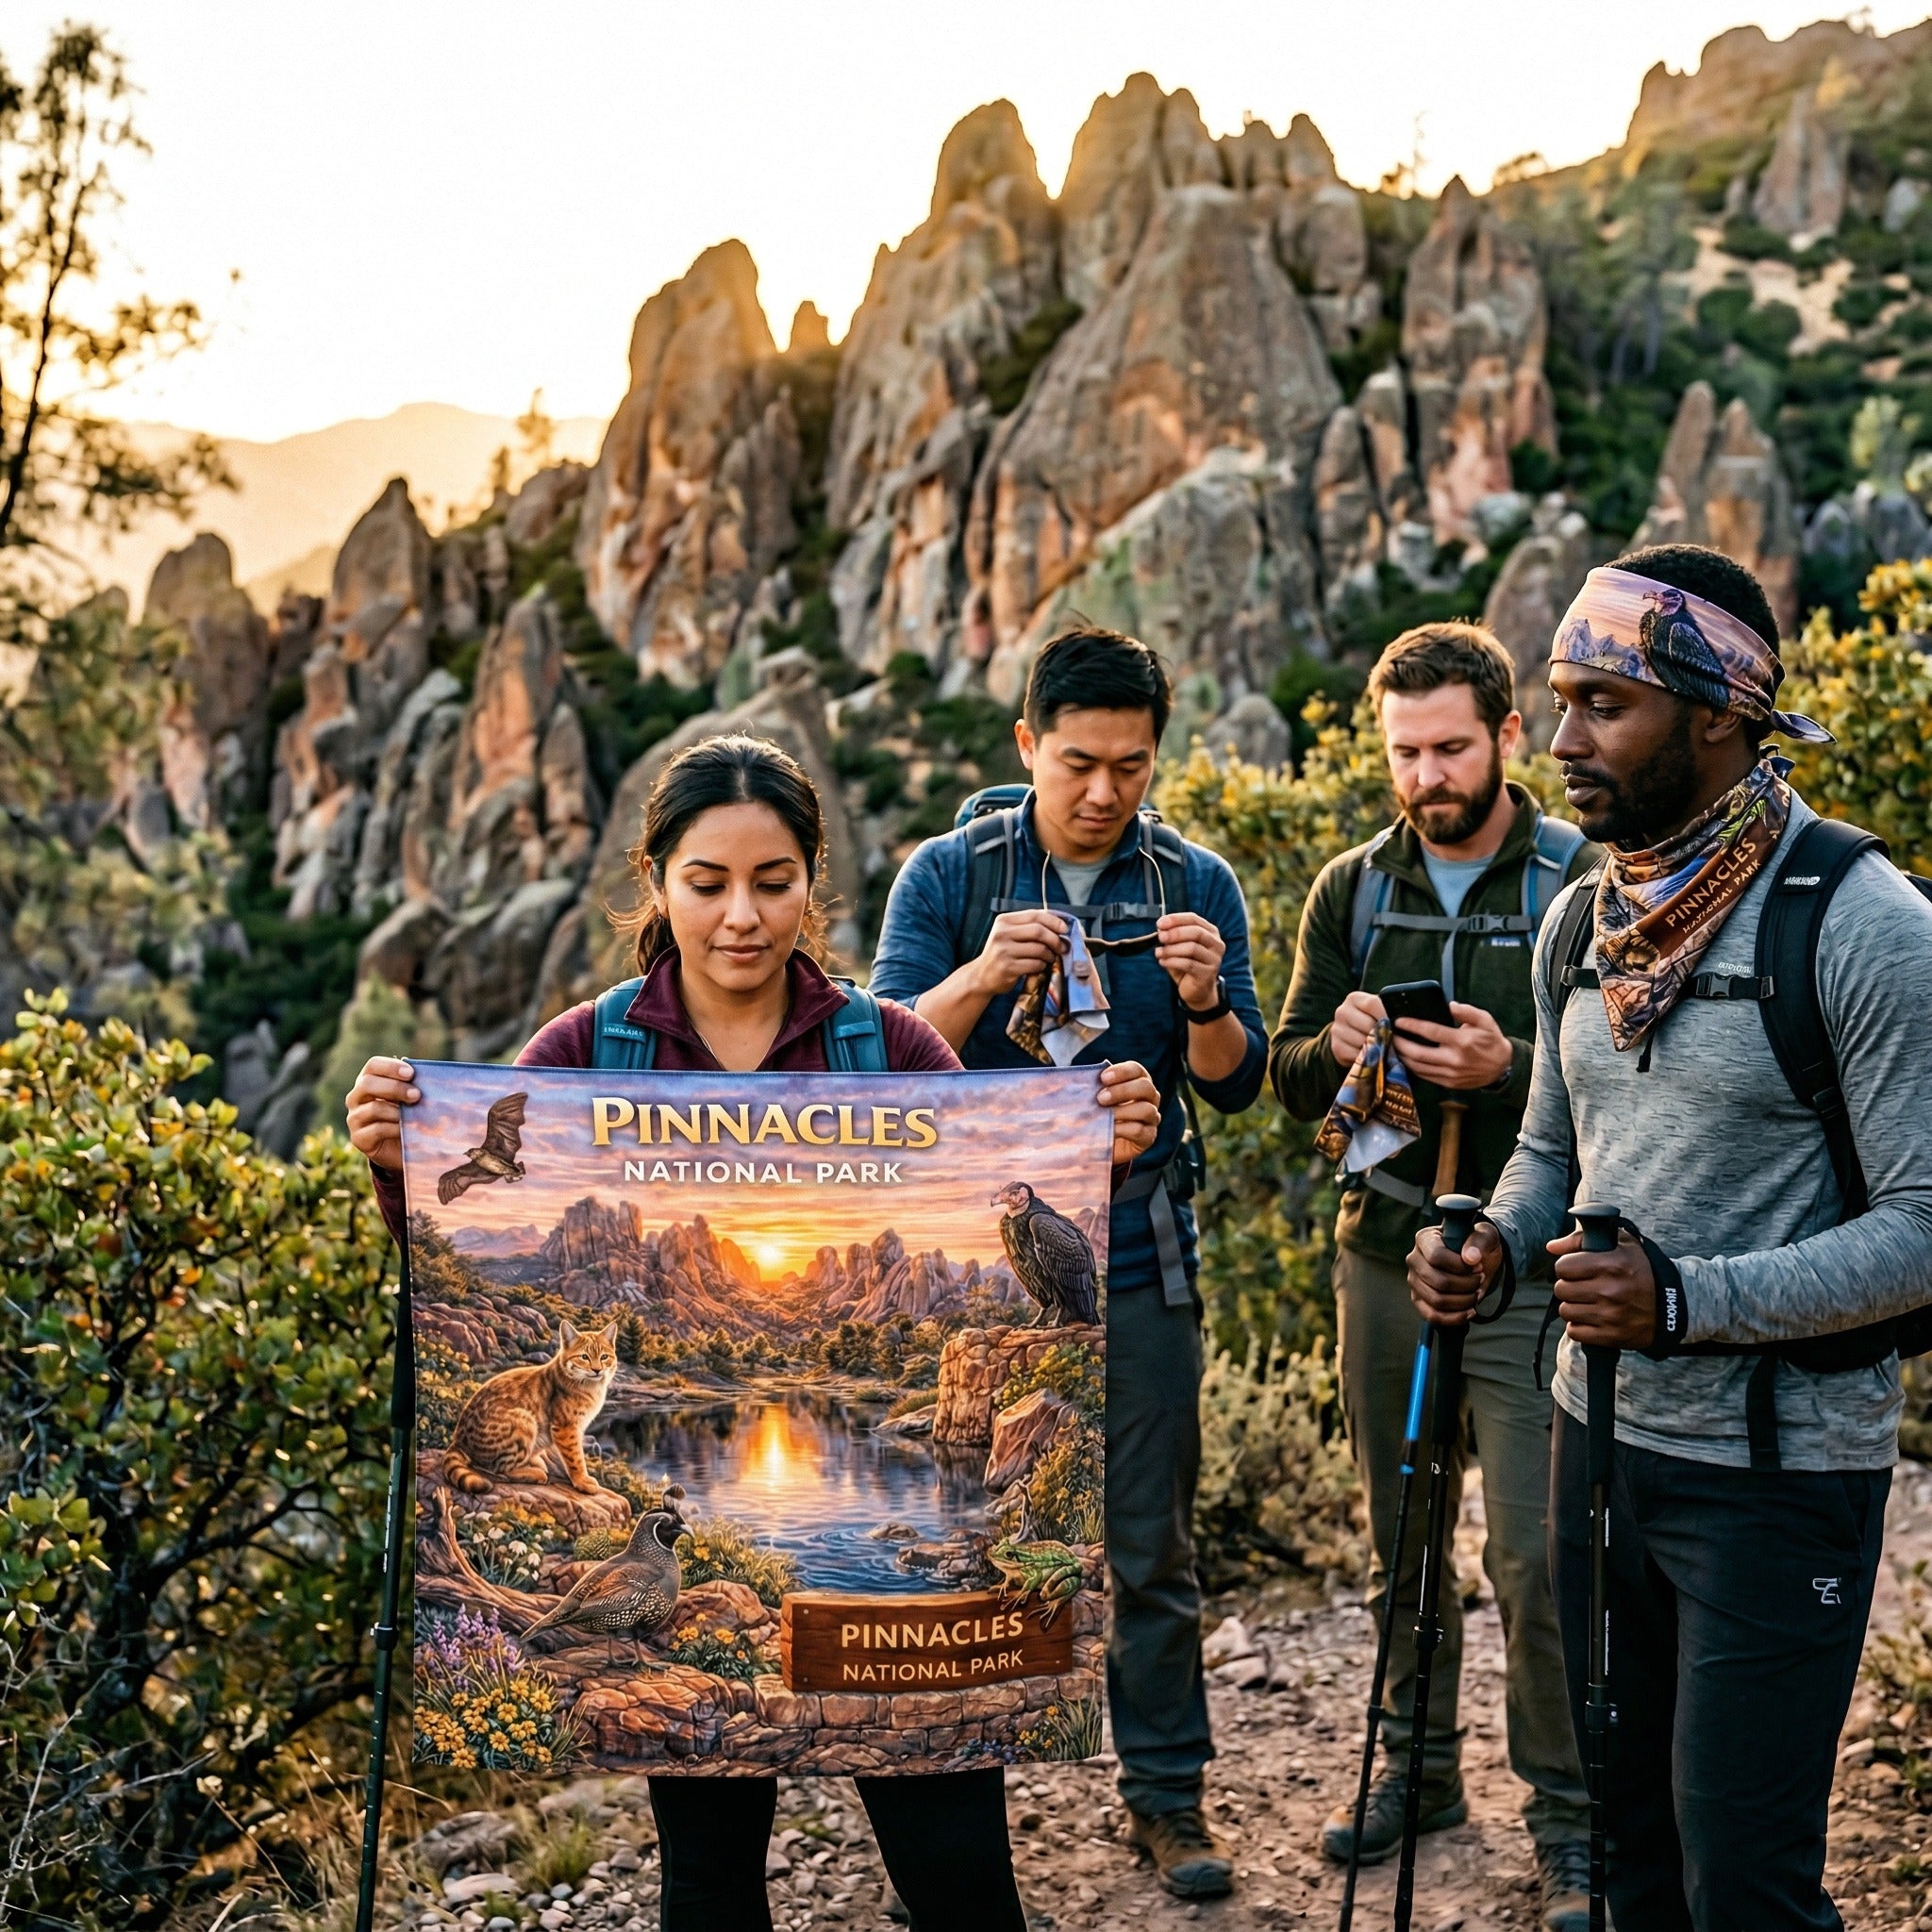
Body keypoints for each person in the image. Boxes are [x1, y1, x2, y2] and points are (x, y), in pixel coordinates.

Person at [347, 733, 1162, 1932]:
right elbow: (452, 1226)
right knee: (710, 1877)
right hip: (677, 1612)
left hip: (909, 1651)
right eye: (708, 881)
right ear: (658, 880)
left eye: (773, 881)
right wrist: (391, 1160)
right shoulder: (581, 1054)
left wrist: (1103, 1143)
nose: (741, 915)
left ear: (812, 884)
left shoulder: (888, 1043)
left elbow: (1025, 1166)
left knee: (958, 1872)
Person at [1407, 545, 1932, 1930]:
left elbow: (1928, 1233)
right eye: (1561, 699)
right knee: (1629, 1855)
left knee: (1745, 1884)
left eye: (1604, 705)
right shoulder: (1589, 912)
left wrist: (1686, 1301)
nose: (1563, 741)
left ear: (1719, 713)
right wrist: (1494, 1247)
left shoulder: (1863, 927)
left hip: (1775, 1482)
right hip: (1598, 1451)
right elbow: (1549, 1152)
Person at [868, 625, 1267, 1901]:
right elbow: (882, 1059)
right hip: (980, 1268)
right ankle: (949, 1831)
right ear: (1028, 744)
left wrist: (1207, 1007)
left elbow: (1243, 1084)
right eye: (1081, 762)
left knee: (1145, 1546)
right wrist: (985, 973)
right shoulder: (947, 875)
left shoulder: (1195, 881)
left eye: (1133, 767)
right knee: (960, 1534)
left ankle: (1167, 1803)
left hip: (1142, 1248)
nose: (1105, 792)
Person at [1269, 623, 1596, 1928]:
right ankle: (1418, 1774)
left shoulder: (1581, 878)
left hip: (1532, 1264)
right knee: (1403, 1536)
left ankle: (1572, 1819)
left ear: (1510, 737)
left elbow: (1630, 1078)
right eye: (1404, 752)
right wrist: (1339, 1045)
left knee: (1533, 1550)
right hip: (1382, 1254)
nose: (1425, 775)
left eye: (1451, 747)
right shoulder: (1350, 888)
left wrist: (1505, 1069)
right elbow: (1289, 1080)